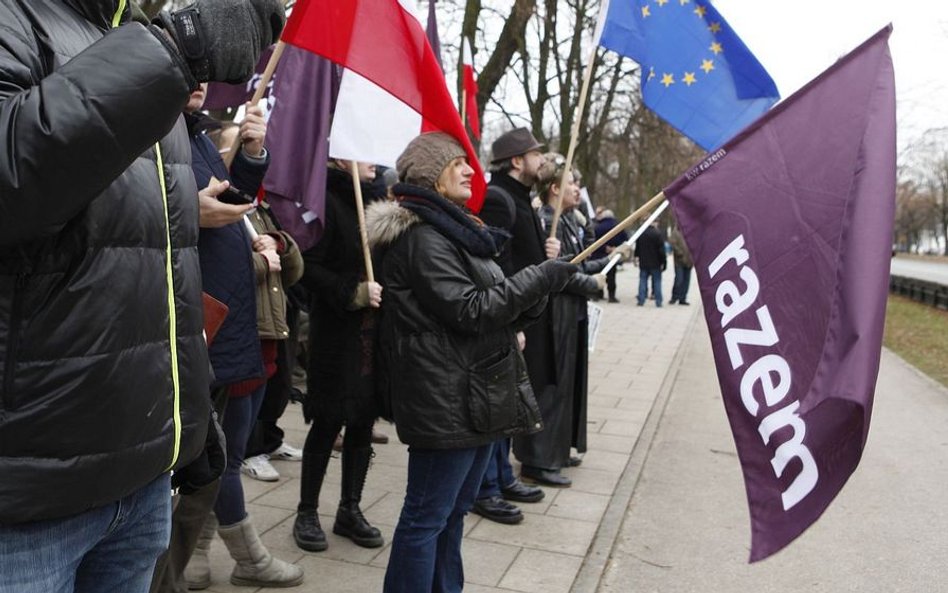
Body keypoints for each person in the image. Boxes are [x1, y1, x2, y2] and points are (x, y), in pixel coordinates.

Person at [0, 1, 283, 591]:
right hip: (28, 503)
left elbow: (158, 264)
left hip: (140, 482)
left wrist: (186, 416)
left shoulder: (127, 36)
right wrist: (172, 48)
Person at [368, 132, 578, 593]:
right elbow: (470, 309)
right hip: (445, 397)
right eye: (458, 163)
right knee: (426, 519)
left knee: (453, 513)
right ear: (431, 175)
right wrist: (538, 279)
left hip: (477, 392)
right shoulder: (424, 237)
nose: (470, 171)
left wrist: (540, 289)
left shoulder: (459, 231)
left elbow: (496, 303)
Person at [181, 83, 303, 589]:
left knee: (218, 455)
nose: (201, 80)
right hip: (204, 323)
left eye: (206, 71)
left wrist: (253, 155)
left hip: (239, 330)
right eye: (190, 67)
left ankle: (194, 552)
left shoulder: (195, 137)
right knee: (215, 457)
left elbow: (231, 200)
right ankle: (244, 555)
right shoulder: (156, 132)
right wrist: (188, 208)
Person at [292, 159, 386, 553]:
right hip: (336, 333)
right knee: (329, 419)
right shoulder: (325, 202)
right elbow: (306, 269)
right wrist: (353, 292)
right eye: (363, 155)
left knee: (363, 420)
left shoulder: (379, 206)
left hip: (372, 334)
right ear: (339, 159)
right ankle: (307, 511)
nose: (373, 163)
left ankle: (350, 508)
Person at [470, 127, 555, 524]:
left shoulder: (519, 197)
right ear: (517, 161)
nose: (543, 160)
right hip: (507, 318)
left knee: (510, 402)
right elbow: (495, 266)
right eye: (536, 154)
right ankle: (486, 489)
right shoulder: (500, 199)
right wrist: (511, 320)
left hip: (520, 314)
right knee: (499, 402)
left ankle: (502, 476)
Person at [529, 153, 628, 487]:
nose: (578, 188)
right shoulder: (546, 221)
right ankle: (539, 459)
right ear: (554, 188)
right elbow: (559, 274)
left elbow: (578, 263)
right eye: (572, 182)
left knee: (570, 384)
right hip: (552, 314)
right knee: (551, 385)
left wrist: (608, 260)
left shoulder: (571, 219)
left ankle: (558, 448)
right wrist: (591, 284)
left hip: (572, 313)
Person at [593, 209, 630, 303]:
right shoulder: (618, 226)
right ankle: (611, 296)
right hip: (613, 255)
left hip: (599, 254)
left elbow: (593, 241)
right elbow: (625, 239)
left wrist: (605, 247)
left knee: (599, 273)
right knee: (611, 276)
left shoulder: (597, 227)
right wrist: (615, 248)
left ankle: (597, 294)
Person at [635, 220, 667, 307]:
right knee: (657, 281)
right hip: (655, 262)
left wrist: (636, 257)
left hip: (644, 262)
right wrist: (664, 262)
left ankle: (641, 300)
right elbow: (661, 251)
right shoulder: (657, 234)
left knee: (642, 280)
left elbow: (637, 248)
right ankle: (658, 301)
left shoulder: (641, 233)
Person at [669, 225, 693, 305]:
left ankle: (683, 298)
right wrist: (679, 253)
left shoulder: (691, 231)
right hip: (679, 261)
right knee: (679, 279)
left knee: (686, 280)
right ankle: (674, 297)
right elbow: (672, 242)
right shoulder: (676, 231)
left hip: (689, 260)